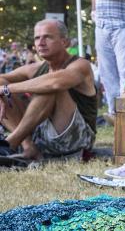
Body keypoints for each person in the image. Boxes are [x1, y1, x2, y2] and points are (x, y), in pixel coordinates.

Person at [0, 20, 97, 161]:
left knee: (50, 85)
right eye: (37, 38)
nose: (41, 43)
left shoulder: (81, 65)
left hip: (77, 140)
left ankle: (8, 144)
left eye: (48, 37)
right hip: (40, 137)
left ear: (65, 42)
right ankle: (27, 146)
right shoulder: (35, 68)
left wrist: (6, 90)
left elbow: (54, 83)